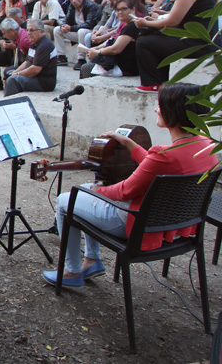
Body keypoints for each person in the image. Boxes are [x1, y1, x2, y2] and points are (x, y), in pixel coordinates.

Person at [42, 83, 217, 288]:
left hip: (136, 224)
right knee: (88, 190)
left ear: (173, 111)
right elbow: (155, 164)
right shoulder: (208, 145)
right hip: (174, 223)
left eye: (159, 105)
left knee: (66, 200)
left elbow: (125, 191)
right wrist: (129, 144)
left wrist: (99, 190)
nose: (155, 109)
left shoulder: (165, 155)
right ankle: (91, 261)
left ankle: (71, 272)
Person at [134, 0, 220, 93]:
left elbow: (173, 21)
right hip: (202, 41)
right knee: (154, 35)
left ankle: (153, 83)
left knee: (143, 41)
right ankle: (162, 79)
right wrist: (157, 19)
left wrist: (146, 22)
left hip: (197, 44)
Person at [80, 0, 140, 78]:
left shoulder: (132, 26)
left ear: (133, 9)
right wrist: (96, 48)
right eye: (118, 9)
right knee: (87, 67)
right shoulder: (124, 24)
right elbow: (112, 40)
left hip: (125, 67)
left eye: (124, 9)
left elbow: (116, 49)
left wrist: (97, 52)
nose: (120, 12)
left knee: (86, 68)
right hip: (117, 62)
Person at [3, 18, 58, 97]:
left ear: (41, 31)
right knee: (9, 73)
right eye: (27, 30)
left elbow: (35, 70)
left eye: (32, 30)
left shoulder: (44, 46)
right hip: (35, 77)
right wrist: (14, 72)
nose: (28, 33)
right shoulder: (35, 43)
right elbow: (26, 62)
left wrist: (17, 74)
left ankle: (8, 104)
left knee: (13, 81)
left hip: (43, 82)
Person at [53, 0, 102, 69]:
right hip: (77, 31)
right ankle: (61, 57)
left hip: (91, 31)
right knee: (57, 30)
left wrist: (71, 28)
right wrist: (63, 26)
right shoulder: (72, 6)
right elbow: (66, 19)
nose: (73, 1)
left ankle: (81, 59)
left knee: (81, 31)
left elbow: (90, 24)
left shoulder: (91, 6)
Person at [0, 12, 31, 92]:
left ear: (12, 31)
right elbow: (5, 41)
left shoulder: (25, 40)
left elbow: (32, 57)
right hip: (15, 56)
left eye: (5, 33)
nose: (5, 36)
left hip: (23, 61)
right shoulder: (15, 34)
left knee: (8, 71)